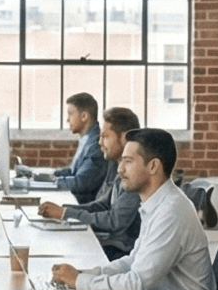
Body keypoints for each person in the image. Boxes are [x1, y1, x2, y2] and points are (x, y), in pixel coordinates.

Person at [51, 128, 212, 290]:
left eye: (128, 161)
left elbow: (137, 284)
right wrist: (85, 274)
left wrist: (80, 281)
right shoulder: (158, 203)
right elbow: (133, 261)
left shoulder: (170, 212)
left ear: (153, 166)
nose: (119, 169)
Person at [40, 105, 142, 255]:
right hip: (108, 240)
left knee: (60, 249)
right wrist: (63, 209)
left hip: (119, 250)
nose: (100, 142)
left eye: (105, 137)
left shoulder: (135, 173)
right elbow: (102, 205)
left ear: (124, 137)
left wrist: (66, 213)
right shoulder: (115, 165)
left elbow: (115, 221)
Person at [47, 92, 108, 199]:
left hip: (83, 206)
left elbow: (82, 183)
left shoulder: (96, 144)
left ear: (84, 116)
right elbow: (73, 171)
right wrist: (46, 176)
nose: (67, 120)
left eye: (70, 114)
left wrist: (51, 181)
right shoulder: (86, 138)